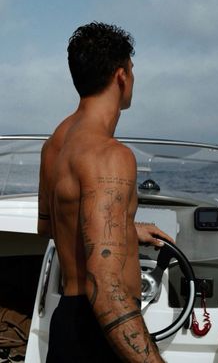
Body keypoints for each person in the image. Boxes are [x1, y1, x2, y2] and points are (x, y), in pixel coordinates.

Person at [38, 22, 171, 362]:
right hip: (100, 336)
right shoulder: (110, 156)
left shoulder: (56, 142)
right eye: (132, 69)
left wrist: (125, 230)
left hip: (68, 324)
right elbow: (107, 289)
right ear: (121, 75)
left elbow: (51, 226)